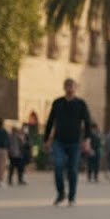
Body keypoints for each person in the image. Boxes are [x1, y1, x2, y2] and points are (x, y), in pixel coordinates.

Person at [44, 78, 93, 206]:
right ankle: (61, 193)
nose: (70, 88)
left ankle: (72, 197)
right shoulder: (57, 103)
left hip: (75, 142)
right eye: (67, 86)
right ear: (64, 88)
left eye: (72, 86)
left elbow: (88, 123)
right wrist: (46, 140)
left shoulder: (81, 104)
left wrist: (87, 140)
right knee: (58, 166)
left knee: (72, 169)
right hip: (59, 141)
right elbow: (50, 122)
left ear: (76, 88)